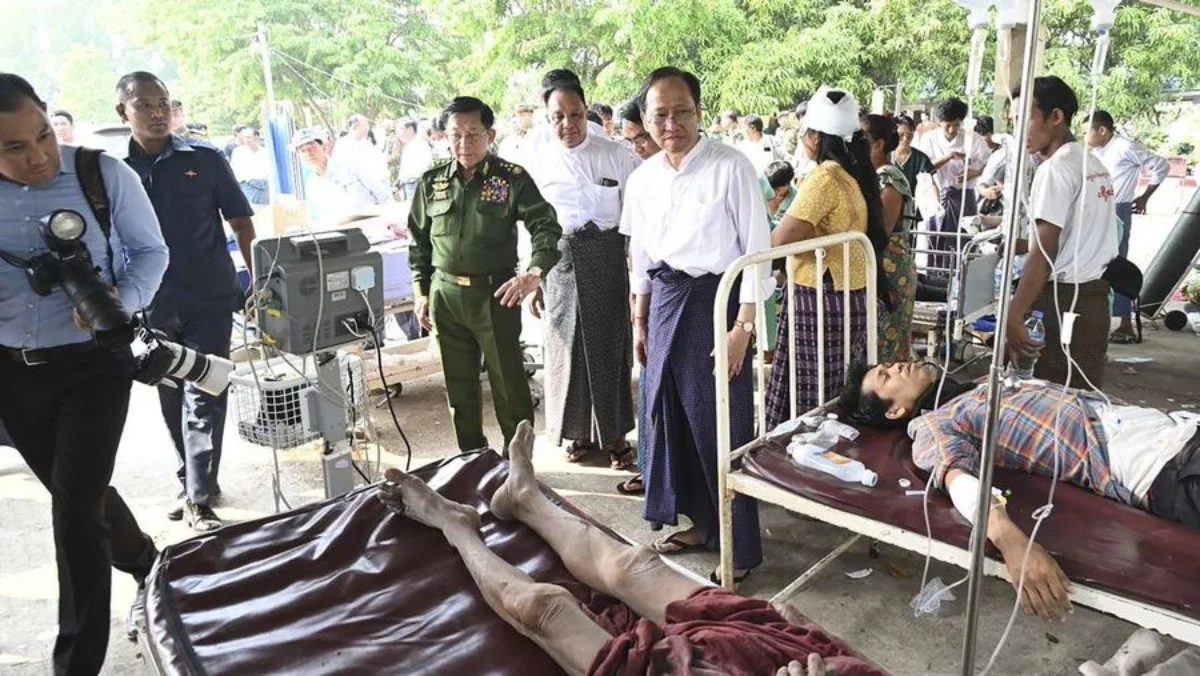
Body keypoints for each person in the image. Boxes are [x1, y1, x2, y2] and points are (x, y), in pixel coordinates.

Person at [376, 421, 883, 676]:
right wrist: (825, 638)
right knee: (631, 562)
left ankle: (454, 523)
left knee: (542, 610)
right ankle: (525, 498)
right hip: (781, 648)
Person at [0, 72, 167, 675]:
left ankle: (76, 665)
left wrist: (120, 299)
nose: (38, 155)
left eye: (42, 134)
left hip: (95, 365)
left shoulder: (101, 174)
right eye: (14, 148)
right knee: (79, 494)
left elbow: (152, 252)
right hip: (12, 372)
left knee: (73, 514)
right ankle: (147, 559)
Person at [842, 360, 1199, 621]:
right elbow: (957, 478)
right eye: (885, 377)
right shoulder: (935, 424)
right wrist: (1011, 541)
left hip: (1179, 430)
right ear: (895, 412)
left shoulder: (983, 383)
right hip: (1164, 466)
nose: (897, 365)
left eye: (888, 364)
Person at [621, 67, 772, 584]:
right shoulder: (642, 178)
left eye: (681, 111)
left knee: (718, 424)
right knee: (670, 418)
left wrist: (742, 328)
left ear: (699, 112)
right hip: (663, 302)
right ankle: (699, 523)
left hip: (717, 303)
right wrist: (639, 320)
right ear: (645, 118)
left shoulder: (731, 168)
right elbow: (639, 256)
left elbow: (757, 253)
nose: (671, 124)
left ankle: (739, 545)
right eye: (659, 114)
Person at [116, 71, 257, 532]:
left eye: (164, 103)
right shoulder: (114, 173)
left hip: (210, 297)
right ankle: (194, 479)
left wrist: (255, 279)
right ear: (124, 112)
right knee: (170, 393)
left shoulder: (206, 159)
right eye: (145, 105)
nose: (158, 113)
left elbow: (241, 222)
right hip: (150, 305)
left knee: (206, 389)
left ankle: (198, 497)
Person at [408, 96, 562, 452]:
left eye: (473, 134)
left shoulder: (511, 180)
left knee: (509, 386)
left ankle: (519, 465)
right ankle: (471, 460)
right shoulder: (432, 182)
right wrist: (421, 291)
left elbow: (546, 227)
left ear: (490, 135)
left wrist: (534, 273)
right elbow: (418, 242)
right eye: (455, 134)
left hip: (495, 296)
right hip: (445, 296)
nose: (464, 143)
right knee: (459, 389)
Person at [525, 70, 638, 469]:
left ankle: (617, 437)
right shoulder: (536, 159)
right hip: (558, 264)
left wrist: (637, 283)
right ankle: (577, 433)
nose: (567, 125)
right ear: (547, 116)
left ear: (586, 109)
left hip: (607, 259)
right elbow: (531, 225)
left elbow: (637, 221)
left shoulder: (616, 154)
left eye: (575, 114)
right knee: (565, 351)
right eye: (558, 116)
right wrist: (533, 276)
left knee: (609, 351)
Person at [765, 87, 888, 427]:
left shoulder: (825, 177)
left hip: (819, 297)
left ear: (816, 138)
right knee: (837, 385)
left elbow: (781, 239)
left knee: (811, 391)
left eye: (805, 133)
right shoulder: (854, 176)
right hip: (850, 296)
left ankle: (799, 459)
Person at [1008, 76, 1118, 388]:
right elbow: (1075, 234)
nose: (1018, 132)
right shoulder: (1091, 163)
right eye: (1013, 122)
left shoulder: (1055, 169)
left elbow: (1044, 253)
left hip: (1063, 303)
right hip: (1094, 302)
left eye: (1024, 120)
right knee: (1082, 397)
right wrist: (1017, 245)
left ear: (1056, 117)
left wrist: (1014, 316)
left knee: (1047, 402)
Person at [1085, 110, 1170, 344]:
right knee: (1093, 263)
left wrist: (1144, 197)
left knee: (1116, 264)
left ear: (1101, 130)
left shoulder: (1124, 147)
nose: (1085, 137)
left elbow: (1161, 166)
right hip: (1097, 207)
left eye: (1087, 131)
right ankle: (1095, 318)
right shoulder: (1095, 152)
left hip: (1117, 209)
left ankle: (1125, 323)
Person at [916, 98, 990, 277]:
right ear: (940, 123)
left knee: (964, 238)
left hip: (964, 194)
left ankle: (962, 277)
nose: (952, 130)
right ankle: (936, 276)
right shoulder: (929, 140)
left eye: (956, 125)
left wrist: (972, 173)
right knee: (937, 237)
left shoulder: (973, 140)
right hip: (938, 195)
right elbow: (924, 167)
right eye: (947, 125)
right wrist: (949, 157)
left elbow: (986, 165)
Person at [865, 114, 917, 362]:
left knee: (888, 340)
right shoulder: (875, 176)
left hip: (891, 267)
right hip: (883, 265)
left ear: (879, 144)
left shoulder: (888, 177)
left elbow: (882, 229)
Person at [892, 115, 937, 221]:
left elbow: (930, 184)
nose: (905, 139)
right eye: (901, 134)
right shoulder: (886, 156)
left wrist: (936, 205)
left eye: (910, 135)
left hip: (911, 209)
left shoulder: (920, 158)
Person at [229, 125, 271, 205]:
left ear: (256, 137)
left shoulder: (265, 152)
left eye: (249, 137)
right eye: (244, 138)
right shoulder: (238, 152)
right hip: (248, 186)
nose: (246, 140)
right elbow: (235, 171)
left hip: (264, 187)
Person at [397, 117, 433, 200]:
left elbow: (425, 167)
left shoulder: (419, 145)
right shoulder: (410, 145)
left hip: (416, 184)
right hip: (409, 185)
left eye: (401, 129)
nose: (398, 133)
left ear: (410, 130)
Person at [760, 160, 797, 228]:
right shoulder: (764, 192)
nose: (773, 192)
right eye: (772, 189)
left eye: (777, 189)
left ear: (787, 184)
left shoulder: (795, 198)